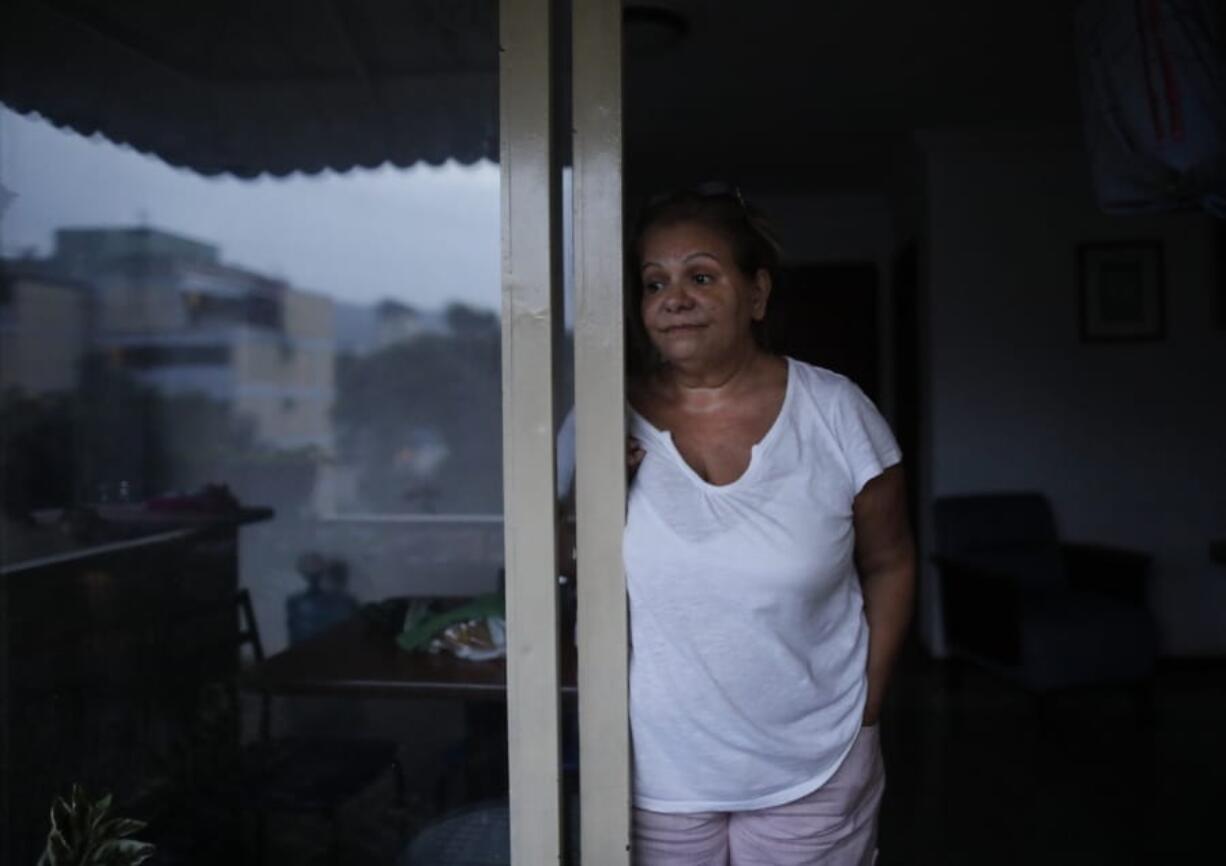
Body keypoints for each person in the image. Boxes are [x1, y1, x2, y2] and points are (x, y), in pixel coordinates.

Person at [623, 185, 915, 865]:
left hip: (816, 759)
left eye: (700, 276)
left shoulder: (837, 412)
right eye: (654, 282)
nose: (674, 298)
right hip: (658, 770)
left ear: (757, 294)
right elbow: (559, 569)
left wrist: (867, 708)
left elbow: (891, 562)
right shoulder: (603, 417)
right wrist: (594, 492)